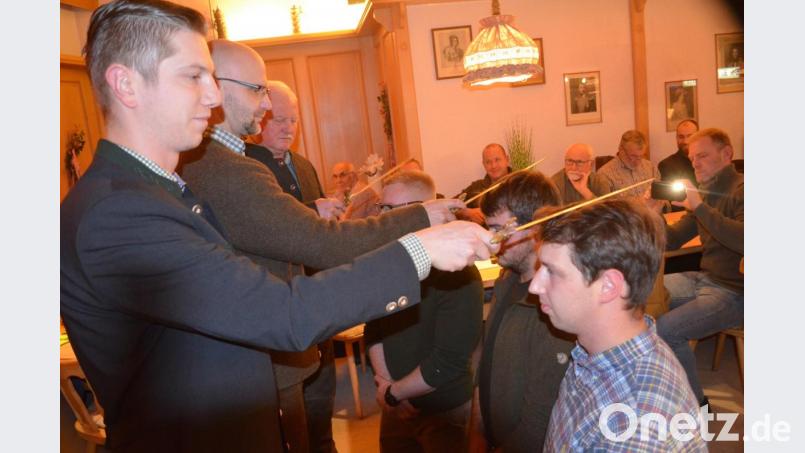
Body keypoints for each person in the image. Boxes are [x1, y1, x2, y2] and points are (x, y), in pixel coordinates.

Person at [61, 2, 495, 451]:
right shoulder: (119, 212)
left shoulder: (158, 190)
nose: (212, 97)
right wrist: (420, 250)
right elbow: (282, 312)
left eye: (212, 77)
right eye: (193, 76)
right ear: (126, 84)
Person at [179, 39, 469, 453]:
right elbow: (320, 243)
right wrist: (421, 218)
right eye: (257, 90)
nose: (265, 106)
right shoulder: (224, 168)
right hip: (265, 357)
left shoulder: (215, 161)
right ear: (217, 87)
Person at [530, 199, 706, 451]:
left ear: (609, 286)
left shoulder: (634, 427)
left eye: (552, 271)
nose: (534, 286)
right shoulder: (595, 353)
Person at [366, 170, 484, 452]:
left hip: (444, 409)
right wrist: (385, 385)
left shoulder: (459, 273)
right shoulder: (387, 262)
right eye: (382, 208)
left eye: (392, 210)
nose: (384, 218)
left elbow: (448, 360)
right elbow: (373, 329)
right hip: (393, 402)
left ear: (425, 211)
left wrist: (394, 393)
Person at [470, 172, 575, 452]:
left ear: (535, 228)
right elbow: (486, 365)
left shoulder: (554, 310)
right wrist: (477, 435)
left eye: (498, 230)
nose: (490, 241)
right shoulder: (506, 278)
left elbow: (539, 422)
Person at [656, 128, 744, 409]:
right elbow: (670, 239)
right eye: (693, 159)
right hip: (704, 279)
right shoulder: (706, 195)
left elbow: (745, 239)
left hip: (735, 290)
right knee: (645, 292)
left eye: (703, 156)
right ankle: (658, 386)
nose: (696, 164)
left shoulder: (743, 188)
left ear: (727, 154)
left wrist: (699, 206)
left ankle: (696, 406)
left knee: (666, 330)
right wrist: (651, 211)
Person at [247, 80, 343, 219]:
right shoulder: (244, 165)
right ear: (258, 118)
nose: (289, 129)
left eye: (293, 120)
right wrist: (314, 210)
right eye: (279, 120)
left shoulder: (305, 166)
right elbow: (257, 226)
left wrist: (333, 210)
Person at [455, 143, 512, 224]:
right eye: (488, 162)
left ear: (507, 159)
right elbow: (450, 207)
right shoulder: (475, 187)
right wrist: (467, 213)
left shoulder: (521, 184)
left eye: (497, 160)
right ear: (484, 164)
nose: (493, 166)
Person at [598, 129, 662, 198]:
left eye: (641, 156)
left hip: (654, 208)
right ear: (621, 150)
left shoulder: (651, 167)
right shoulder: (604, 175)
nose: (638, 162)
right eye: (633, 156)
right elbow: (605, 207)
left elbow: (664, 200)